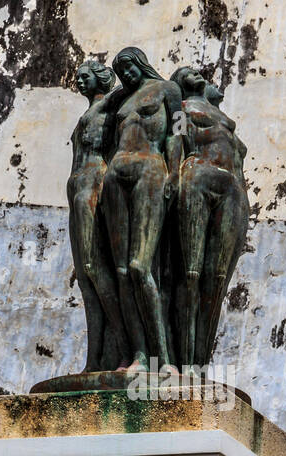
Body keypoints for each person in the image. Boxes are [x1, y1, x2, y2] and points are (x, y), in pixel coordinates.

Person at [101, 47, 184, 368]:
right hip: (116, 175)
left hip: (150, 168)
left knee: (140, 266)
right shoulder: (120, 101)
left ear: (141, 63)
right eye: (120, 70)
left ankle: (163, 358)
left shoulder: (168, 90)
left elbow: (177, 133)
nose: (125, 73)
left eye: (129, 65)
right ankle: (135, 353)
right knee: (122, 272)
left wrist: (174, 172)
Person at [169, 67, 249, 366]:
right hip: (197, 176)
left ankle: (200, 361)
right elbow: (175, 141)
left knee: (217, 278)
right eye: (187, 72)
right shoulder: (181, 109)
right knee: (191, 273)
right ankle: (183, 359)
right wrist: (172, 181)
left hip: (232, 188)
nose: (196, 74)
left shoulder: (222, 118)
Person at [68, 59, 130, 371]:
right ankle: (93, 360)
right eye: (77, 77)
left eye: (85, 76)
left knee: (95, 267)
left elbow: (152, 86)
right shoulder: (89, 111)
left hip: (94, 182)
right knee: (84, 277)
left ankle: (125, 346)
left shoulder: (113, 101)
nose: (79, 81)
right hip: (76, 186)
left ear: (101, 78)